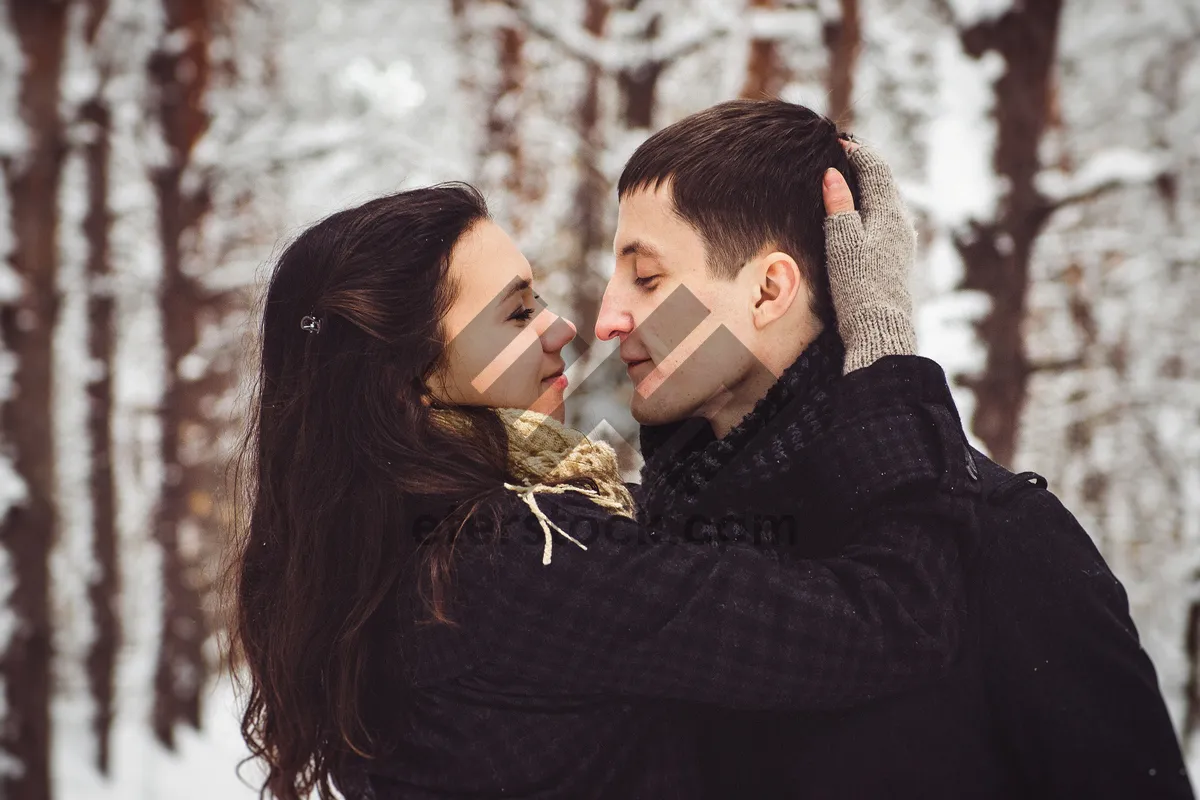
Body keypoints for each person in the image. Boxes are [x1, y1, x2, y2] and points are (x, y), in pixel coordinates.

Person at [231, 160, 977, 797]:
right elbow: (891, 623)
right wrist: (883, 352)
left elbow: (661, 567)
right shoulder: (509, 559)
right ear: (409, 383)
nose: (564, 329)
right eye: (517, 314)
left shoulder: (387, 541)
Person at [598, 98, 1194, 799]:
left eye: (647, 278)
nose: (607, 318)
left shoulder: (1003, 544)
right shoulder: (643, 540)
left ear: (768, 290)